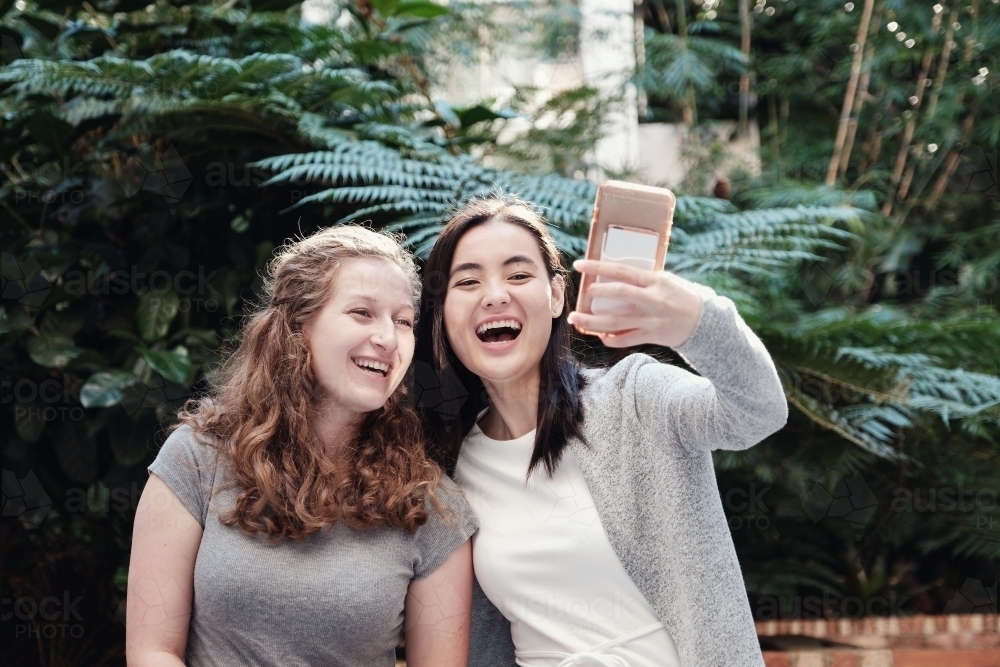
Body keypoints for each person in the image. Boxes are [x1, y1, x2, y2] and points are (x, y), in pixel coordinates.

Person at [415, 195, 788, 667]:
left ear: (557, 295)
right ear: (444, 313)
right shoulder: (452, 469)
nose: (495, 294)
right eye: (467, 281)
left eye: (518, 275)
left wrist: (696, 320)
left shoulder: (634, 397)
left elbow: (759, 411)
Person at [126, 226, 477, 667]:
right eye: (362, 313)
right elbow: (152, 651)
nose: (388, 338)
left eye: (403, 321)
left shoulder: (431, 504)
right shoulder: (197, 458)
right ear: (297, 325)